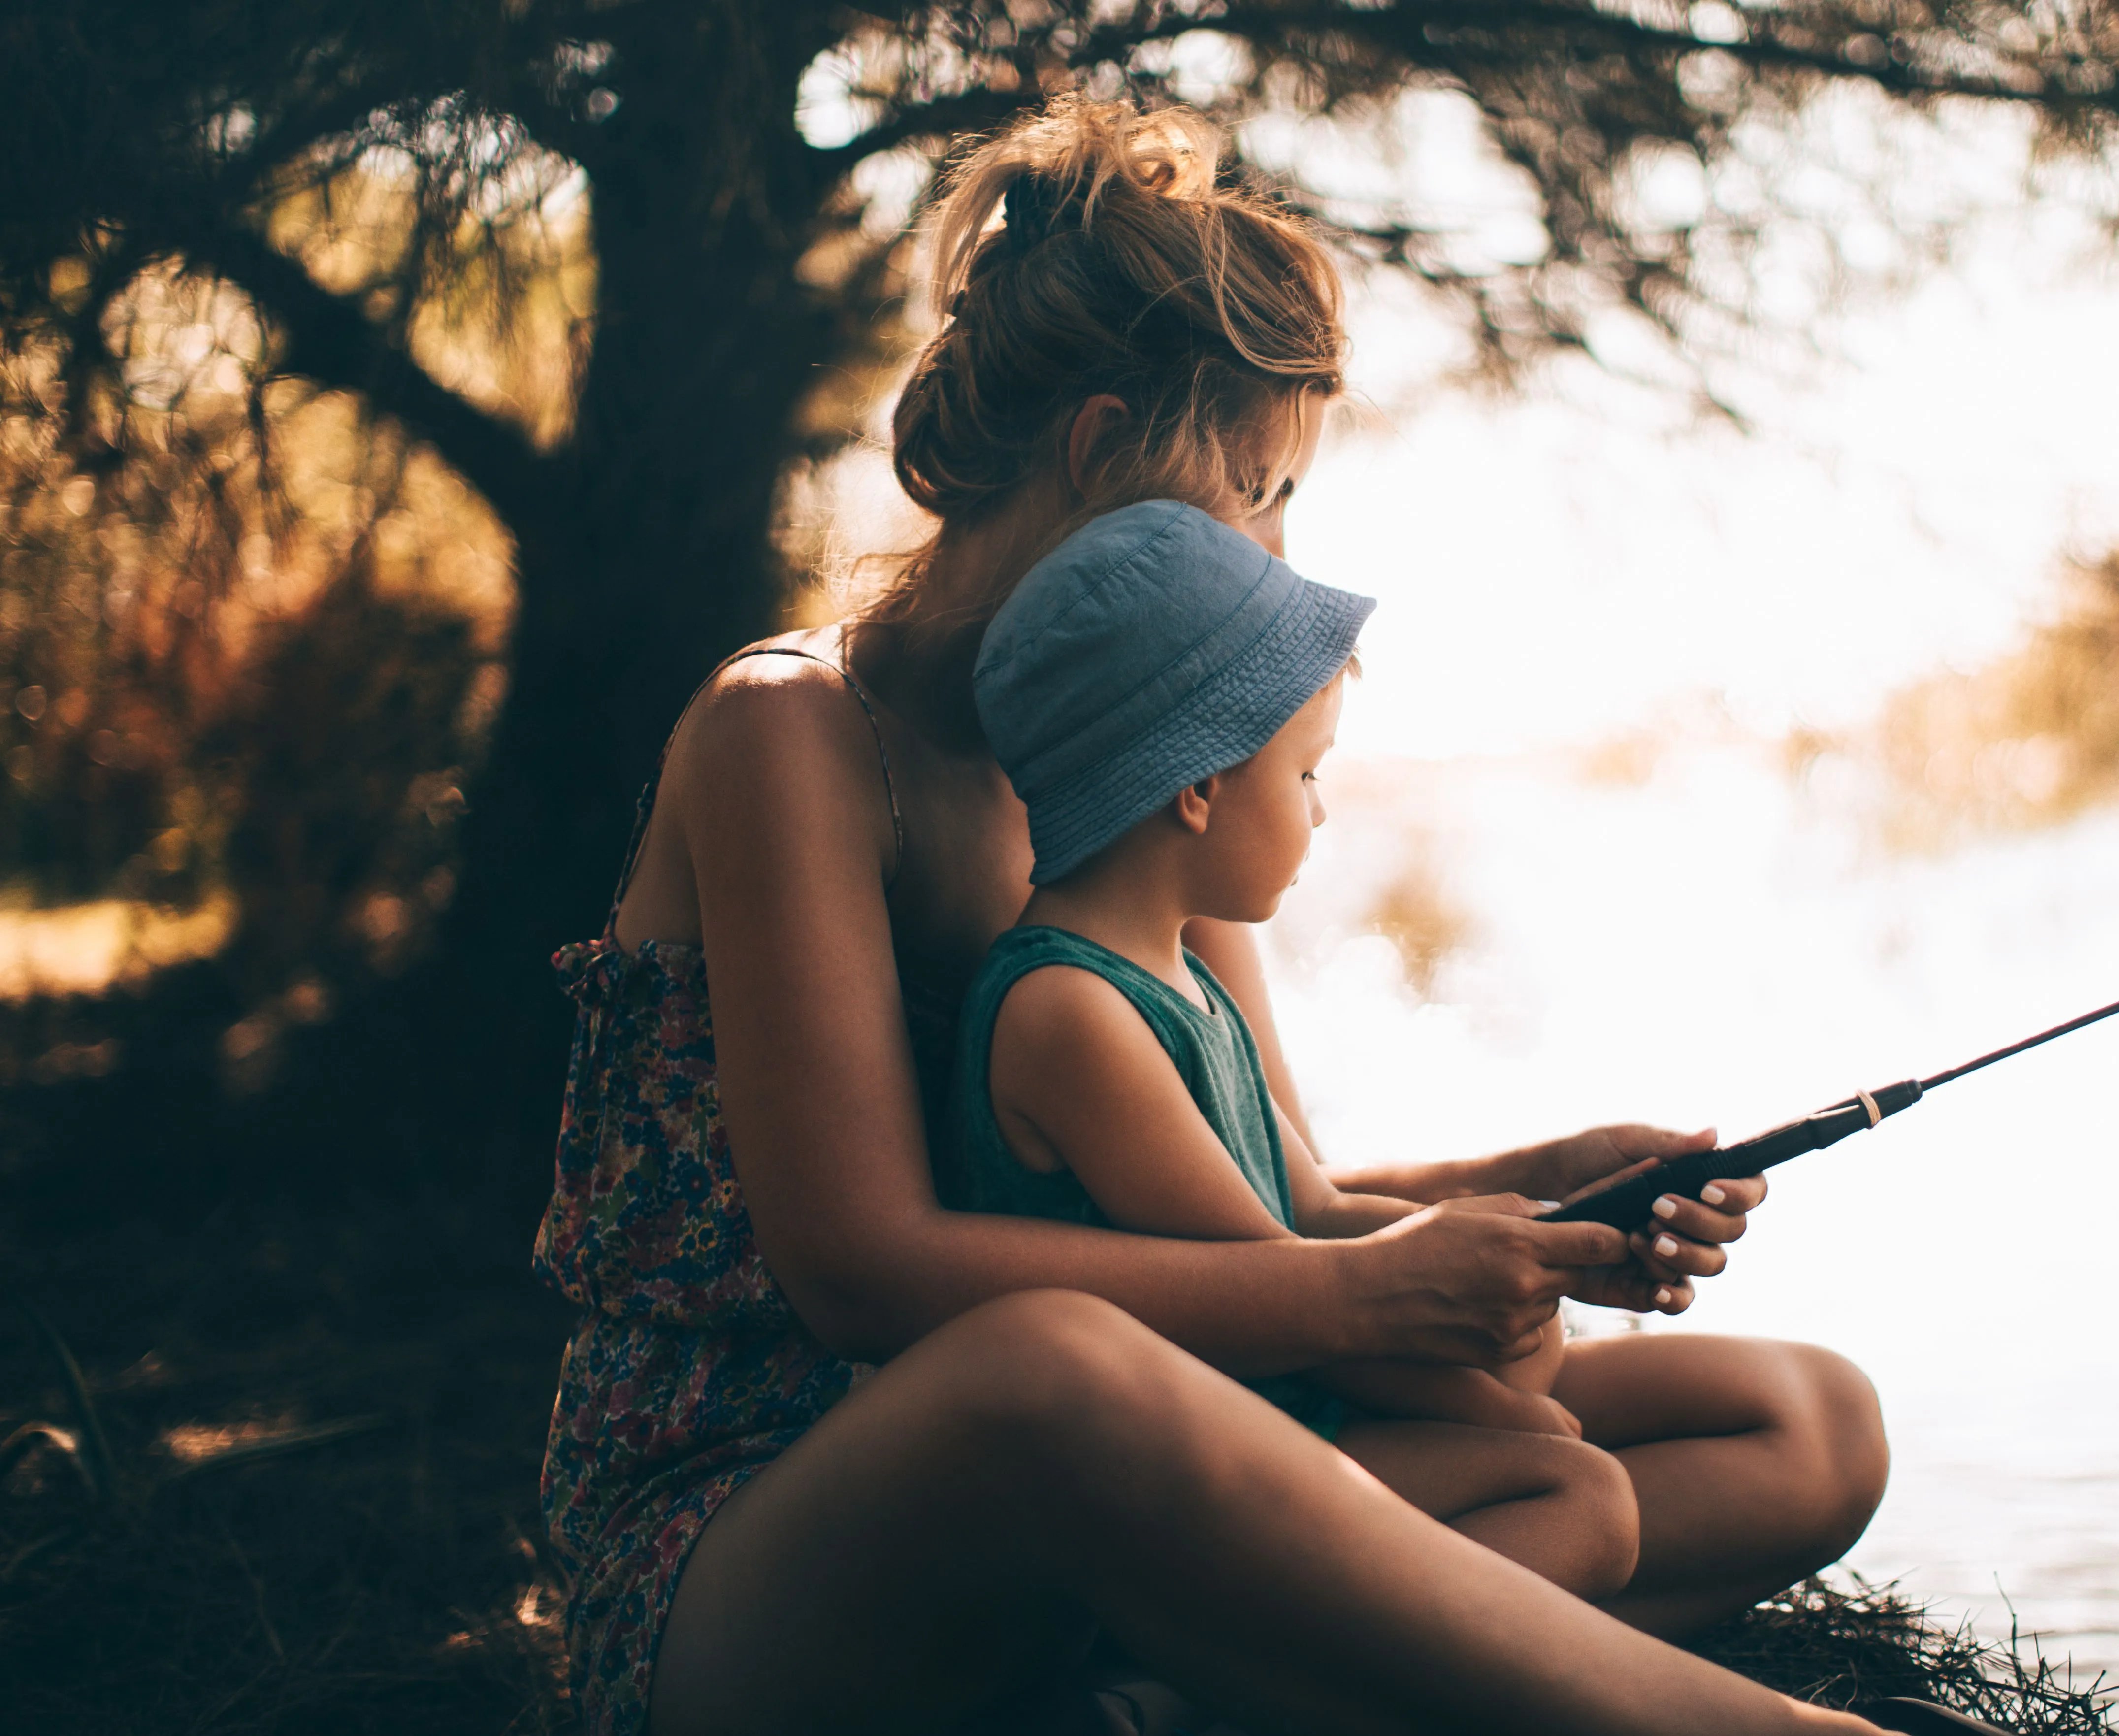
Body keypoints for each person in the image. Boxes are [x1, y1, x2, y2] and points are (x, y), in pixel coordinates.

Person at [534, 94, 1897, 1736]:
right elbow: (864, 1271)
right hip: (776, 1538)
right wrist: (1358, 1298)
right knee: (1051, 1368)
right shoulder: (791, 736)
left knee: (1802, 1426)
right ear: (1102, 448)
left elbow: (1263, 1196)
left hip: (1154, 1457)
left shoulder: (1146, 765)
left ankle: (1179, 1701)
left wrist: (1531, 1201)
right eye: (1255, 486)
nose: (1270, 549)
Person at [944, 499, 1637, 1601]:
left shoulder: (1183, 979)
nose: (1320, 813)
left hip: (1264, 1423)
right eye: (1308, 772)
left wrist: (1544, 1242)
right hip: (1175, 1474)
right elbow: (1277, 1289)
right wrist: (1495, 1398)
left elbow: (1312, 1214)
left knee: (1569, 1460)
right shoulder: (1069, 1010)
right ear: (1200, 785)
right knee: (1577, 1493)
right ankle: (1196, 1696)